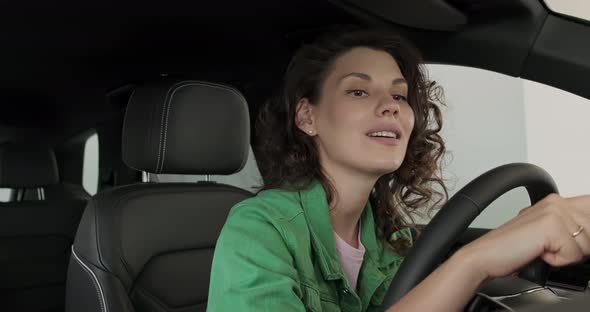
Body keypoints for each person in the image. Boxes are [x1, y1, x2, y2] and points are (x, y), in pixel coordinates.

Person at [207, 29, 590, 311]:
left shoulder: (391, 237)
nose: (390, 106)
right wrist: (476, 260)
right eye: (358, 91)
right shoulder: (258, 228)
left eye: (399, 95)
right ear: (309, 116)